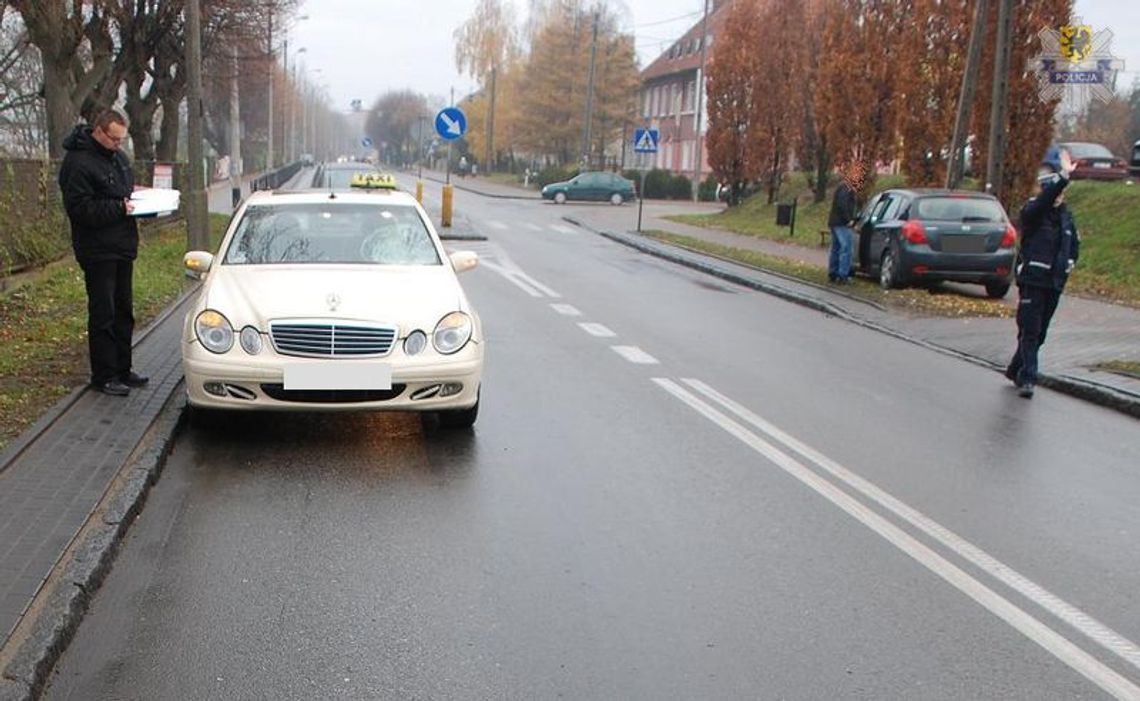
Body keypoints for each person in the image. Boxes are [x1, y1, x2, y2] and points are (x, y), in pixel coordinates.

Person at [58, 109, 148, 396]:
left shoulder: (118, 159)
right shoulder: (78, 163)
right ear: (98, 131)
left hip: (122, 246)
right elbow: (80, 209)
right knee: (104, 313)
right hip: (97, 250)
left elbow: (124, 192)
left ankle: (123, 369)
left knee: (124, 311)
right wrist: (120, 208)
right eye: (114, 139)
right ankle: (104, 374)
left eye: (122, 140)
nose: (118, 145)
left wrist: (139, 200)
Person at [1004, 147, 1080, 399]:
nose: (1059, 197)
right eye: (1054, 192)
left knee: (1040, 333)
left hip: (1054, 283)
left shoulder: (1066, 219)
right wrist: (1062, 178)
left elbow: (1074, 246)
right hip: (1033, 280)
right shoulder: (1034, 212)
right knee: (1030, 329)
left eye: (1061, 194)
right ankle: (1028, 378)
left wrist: (1069, 264)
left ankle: (1016, 368)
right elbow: (1045, 201)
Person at [828, 161, 862, 283]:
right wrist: (849, 220)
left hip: (835, 221)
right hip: (841, 223)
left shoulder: (842, 187)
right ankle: (842, 275)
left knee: (836, 248)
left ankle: (833, 272)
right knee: (846, 248)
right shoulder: (847, 188)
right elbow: (843, 204)